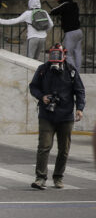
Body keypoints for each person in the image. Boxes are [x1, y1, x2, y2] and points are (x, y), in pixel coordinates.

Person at [28, 43, 85, 189]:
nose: (55, 60)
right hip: (47, 114)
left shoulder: (71, 71)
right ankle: (40, 178)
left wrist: (79, 108)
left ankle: (58, 177)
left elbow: (79, 91)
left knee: (64, 149)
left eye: (58, 57)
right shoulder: (43, 69)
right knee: (44, 146)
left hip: (65, 116)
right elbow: (33, 86)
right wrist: (42, 97)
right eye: (52, 57)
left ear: (64, 55)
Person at [48, 0, 82, 70]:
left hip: (70, 33)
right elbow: (64, 6)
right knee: (78, 52)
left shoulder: (65, 5)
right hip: (79, 31)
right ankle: (78, 71)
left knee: (68, 54)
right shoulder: (75, 5)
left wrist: (59, 2)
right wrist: (60, 2)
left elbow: (53, 11)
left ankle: (74, 73)